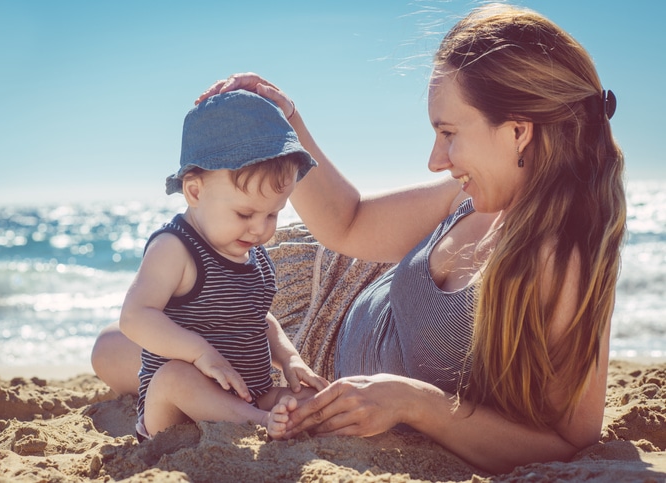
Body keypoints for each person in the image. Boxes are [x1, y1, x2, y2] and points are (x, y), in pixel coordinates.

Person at [91, 4, 625, 473]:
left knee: (122, 356)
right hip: (327, 281)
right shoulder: (462, 199)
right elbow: (347, 222)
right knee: (114, 350)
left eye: (449, 133)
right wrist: (288, 119)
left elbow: (567, 443)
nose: (436, 160)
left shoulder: (567, 260)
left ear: (518, 129)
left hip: (319, 375)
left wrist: (421, 405)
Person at [117, 89, 327, 442]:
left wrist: (290, 359)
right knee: (174, 377)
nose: (260, 228)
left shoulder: (252, 250)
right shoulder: (176, 247)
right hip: (175, 411)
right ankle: (258, 422)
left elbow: (259, 317)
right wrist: (199, 353)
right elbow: (135, 316)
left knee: (309, 399)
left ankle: (261, 417)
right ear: (196, 192)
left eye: (273, 213)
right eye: (244, 213)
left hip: (249, 395)